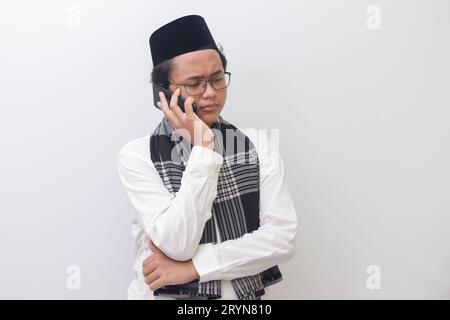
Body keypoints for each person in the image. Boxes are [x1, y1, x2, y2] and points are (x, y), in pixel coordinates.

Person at [117, 15, 298, 300]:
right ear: (163, 92)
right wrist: (203, 149)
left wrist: (193, 267)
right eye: (194, 83)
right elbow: (178, 243)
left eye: (216, 79)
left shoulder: (256, 144)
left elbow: (282, 239)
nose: (210, 92)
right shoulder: (137, 156)